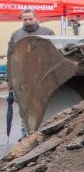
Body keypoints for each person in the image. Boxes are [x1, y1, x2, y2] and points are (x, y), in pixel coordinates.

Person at [8, 9, 56, 139]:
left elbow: (54, 54)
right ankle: (26, 138)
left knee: (44, 107)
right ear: (22, 19)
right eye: (25, 19)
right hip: (23, 79)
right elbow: (10, 59)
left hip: (43, 77)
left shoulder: (48, 33)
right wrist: (10, 82)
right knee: (25, 109)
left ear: (36, 18)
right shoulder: (16, 35)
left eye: (30, 19)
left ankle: (45, 135)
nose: (28, 22)